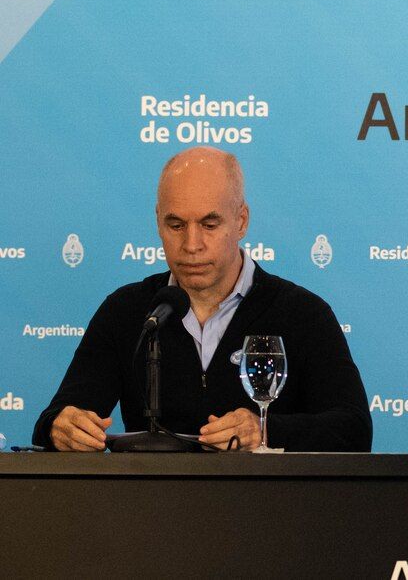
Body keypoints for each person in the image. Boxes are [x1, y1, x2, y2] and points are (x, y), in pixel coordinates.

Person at [33, 148, 371, 452]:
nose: (191, 244)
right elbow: (57, 419)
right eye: (176, 225)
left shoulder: (302, 313)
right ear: (158, 222)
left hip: (268, 512)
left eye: (209, 224)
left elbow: (353, 429)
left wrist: (265, 431)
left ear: (241, 221)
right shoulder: (127, 311)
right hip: (150, 512)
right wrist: (62, 428)